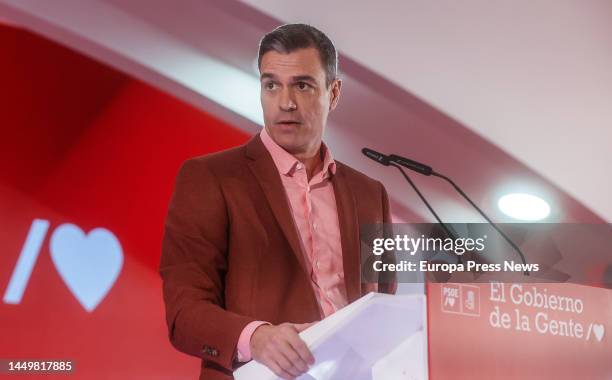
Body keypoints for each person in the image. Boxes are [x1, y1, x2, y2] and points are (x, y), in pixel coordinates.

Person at [160, 23, 395, 380]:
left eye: (302, 85)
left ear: (333, 93)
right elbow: (184, 313)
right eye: (271, 85)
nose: (285, 102)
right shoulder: (211, 178)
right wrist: (256, 338)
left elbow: (382, 307)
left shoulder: (370, 194)